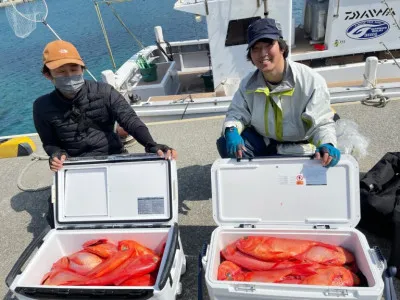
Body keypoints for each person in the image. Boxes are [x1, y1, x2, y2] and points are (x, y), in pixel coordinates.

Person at [33, 40, 177, 227]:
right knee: (59, 221)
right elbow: (49, 142)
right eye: (61, 72)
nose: (69, 76)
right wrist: (56, 155)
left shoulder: (104, 92)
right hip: (74, 166)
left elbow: (130, 120)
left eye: (74, 69)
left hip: (112, 157)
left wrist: (151, 144)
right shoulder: (42, 106)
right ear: (47, 74)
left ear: (82, 69)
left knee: (134, 211)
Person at [216, 18, 340, 167]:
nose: (262, 53)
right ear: (250, 55)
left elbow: (321, 123)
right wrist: (231, 130)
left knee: (326, 157)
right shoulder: (248, 83)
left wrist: (327, 143)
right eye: (255, 48)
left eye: (268, 45)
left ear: (281, 47)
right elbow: (236, 113)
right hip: (266, 142)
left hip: (303, 145)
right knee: (225, 144)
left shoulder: (311, 81)